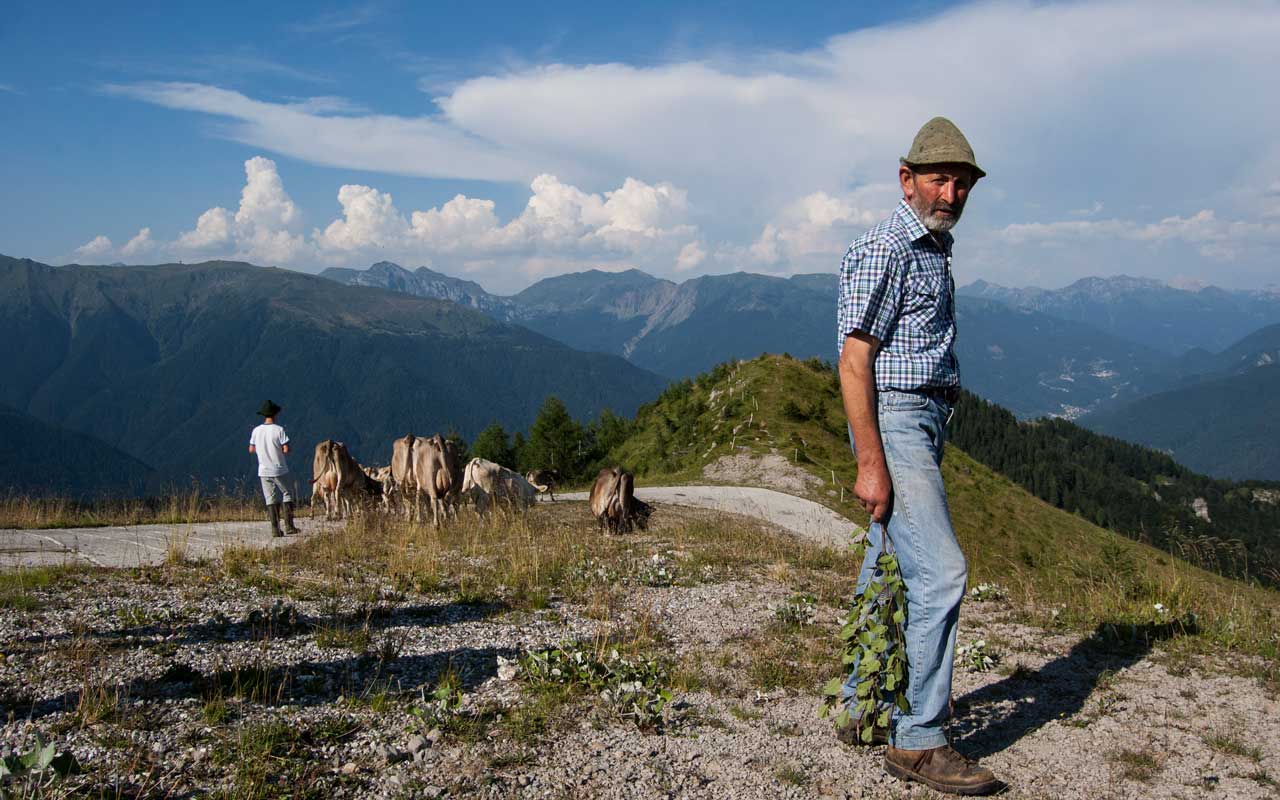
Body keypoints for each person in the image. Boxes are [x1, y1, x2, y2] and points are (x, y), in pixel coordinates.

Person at [835, 117, 999, 795]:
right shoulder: (887, 249)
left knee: (893, 562)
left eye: (962, 181)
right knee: (942, 574)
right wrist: (871, 461)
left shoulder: (935, 248)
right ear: (906, 180)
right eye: (939, 178)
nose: (952, 191)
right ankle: (919, 742)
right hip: (896, 421)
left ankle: (863, 707)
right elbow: (853, 361)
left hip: (924, 422)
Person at [248, 400, 300, 537]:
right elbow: (286, 448)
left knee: (270, 498)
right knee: (287, 493)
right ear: (275, 414)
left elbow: (251, 449)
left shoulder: (256, 431)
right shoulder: (279, 430)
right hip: (279, 468)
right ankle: (289, 526)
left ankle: (275, 529)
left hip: (263, 470)